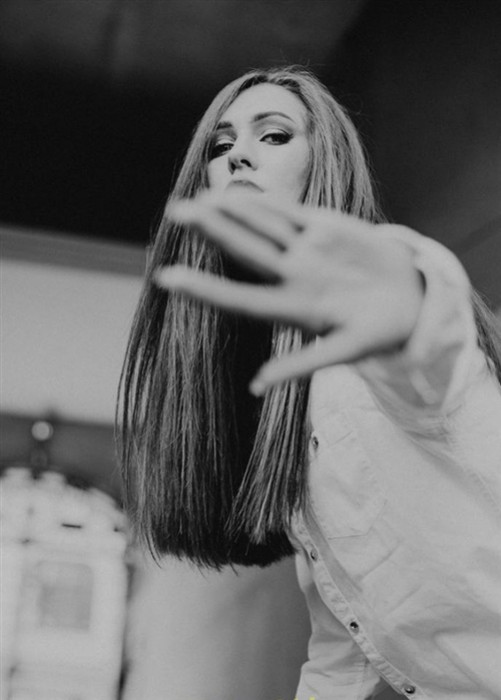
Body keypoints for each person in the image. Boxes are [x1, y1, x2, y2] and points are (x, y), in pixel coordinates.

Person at [118, 67, 501, 699]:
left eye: (273, 135)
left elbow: (434, 364)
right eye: (220, 145)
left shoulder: (372, 344)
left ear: (325, 166)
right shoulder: (285, 394)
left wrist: (410, 301)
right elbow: (346, 641)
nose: (237, 155)